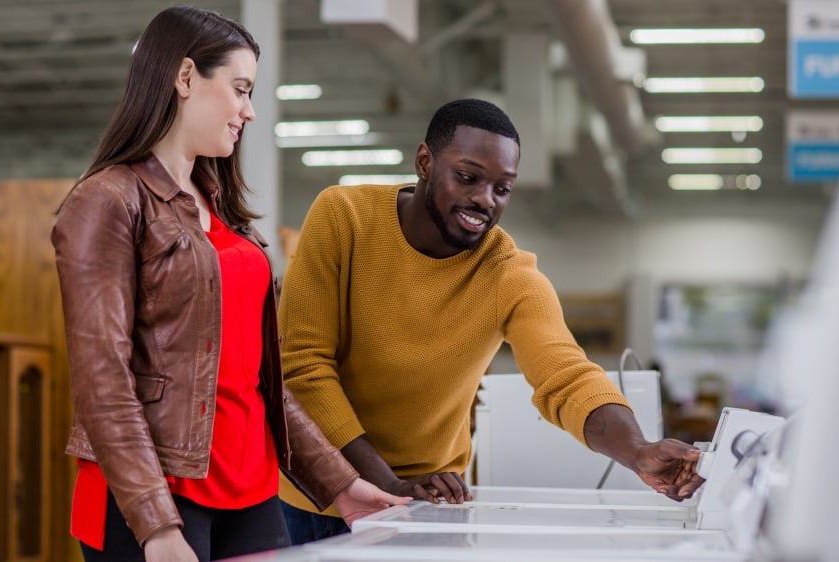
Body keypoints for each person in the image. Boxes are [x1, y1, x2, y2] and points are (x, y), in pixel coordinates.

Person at [51, 7, 408, 562]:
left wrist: (340, 483)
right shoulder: (108, 200)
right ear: (186, 77)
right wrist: (156, 525)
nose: (250, 111)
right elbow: (103, 380)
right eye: (241, 90)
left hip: (252, 487)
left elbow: (259, 376)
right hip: (160, 494)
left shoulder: (223, 208)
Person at [277, 98, 706, 544]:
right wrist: (385, 483)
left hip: (428, 500)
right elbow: (303, 367)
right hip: (321, 495)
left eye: (502, 188)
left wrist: (638, 451)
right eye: (468, 177)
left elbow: (567, 376)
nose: (484, 199)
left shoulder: (508, 273)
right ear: (425, 162)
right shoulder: (344, 217)